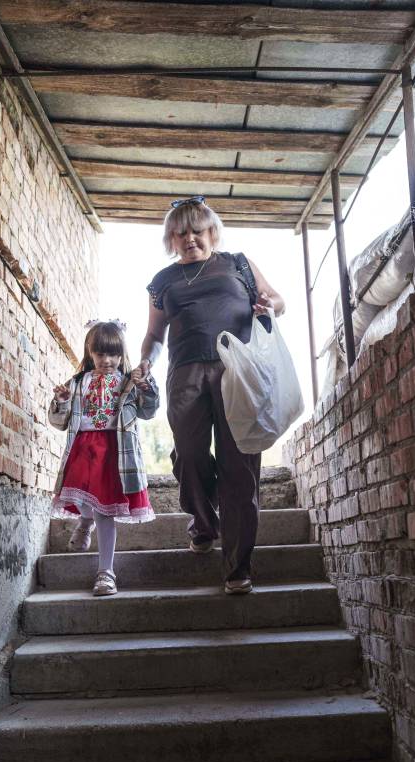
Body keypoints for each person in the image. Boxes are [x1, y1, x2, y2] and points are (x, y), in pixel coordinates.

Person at [133, 197, 285, 595]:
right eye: (180, 233)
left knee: (240, 466)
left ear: (211, 232)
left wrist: (270, 305)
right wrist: (145, 360)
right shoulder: (162, 280)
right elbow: (153, 335)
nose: (189, 239)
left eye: (197, 231)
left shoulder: (237, 262)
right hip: (185, 374)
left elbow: (277, 300)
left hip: (239, 371)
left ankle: (237, 567)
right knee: (189, 453)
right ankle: (203, 522)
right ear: (171, 239)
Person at [49, 320, 159, 596]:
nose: (107, 360)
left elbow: (148, 412)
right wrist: (61, 401)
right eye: (100, 354)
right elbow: (59, 421)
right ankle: (85, 521)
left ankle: (105, 572)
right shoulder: (78, 382)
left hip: (114, 451)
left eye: (113, 354)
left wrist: (145, 387)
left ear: (122, 355)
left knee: (105, 511)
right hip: (83, 448)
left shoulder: (127, 383)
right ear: (90, 353)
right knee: (82, 499)